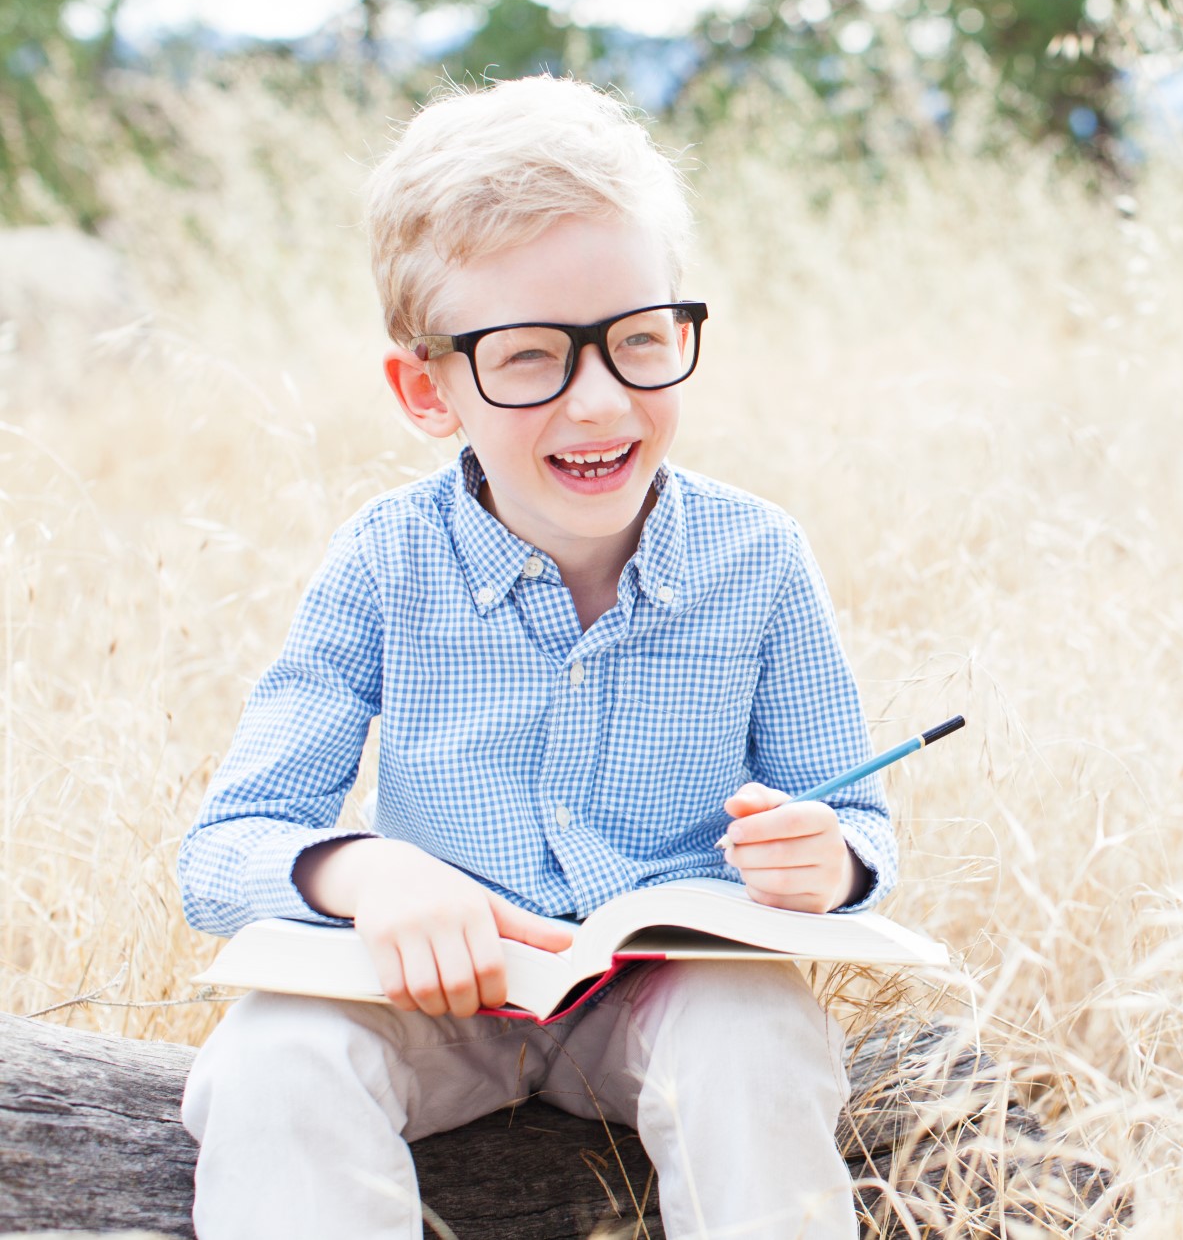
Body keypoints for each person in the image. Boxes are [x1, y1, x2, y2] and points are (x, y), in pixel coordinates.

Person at [174, 75, 895, 1240]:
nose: (600, 400)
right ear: (426, 389)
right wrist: (371, 877)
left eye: (640, 341)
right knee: (271, 1054)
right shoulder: (383, 563)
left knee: (756, 1035)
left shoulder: (757, 557)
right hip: (433, 998)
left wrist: (830, 859)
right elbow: (227, 845)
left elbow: (856, 820)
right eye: (526, 359)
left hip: (663, 998)